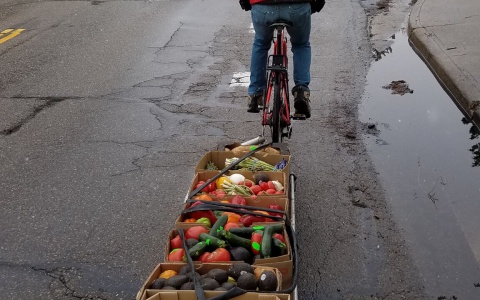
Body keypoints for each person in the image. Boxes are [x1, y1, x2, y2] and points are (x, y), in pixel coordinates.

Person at [240, 0, 324, 119]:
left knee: (261, 44)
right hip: (296, 7)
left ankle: (255, 94)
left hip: (263, 7)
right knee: (301, 45)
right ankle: (301, 92)